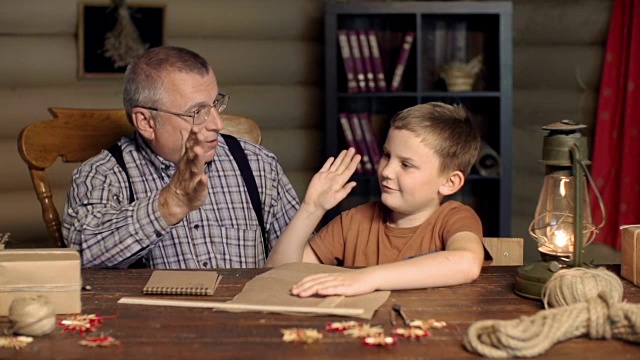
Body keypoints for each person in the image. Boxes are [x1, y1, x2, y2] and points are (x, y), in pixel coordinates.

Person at [63, 46, 300, 269]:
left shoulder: (257, 165)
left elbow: (301, 259)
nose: (217, 124)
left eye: (216, 103)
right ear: (146, 122)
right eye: (197, 112)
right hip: (153, 314)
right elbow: (80, 255)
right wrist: (170, 204)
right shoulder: (102, 174)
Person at [266, 102, 487, 297]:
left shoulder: (454, 218)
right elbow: (277, 275)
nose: (387, 171)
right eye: (386, 155)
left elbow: (466, 263)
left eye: (406, 165)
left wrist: (367, 278)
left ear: (450, 182)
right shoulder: (353, 222)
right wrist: (311, 208)